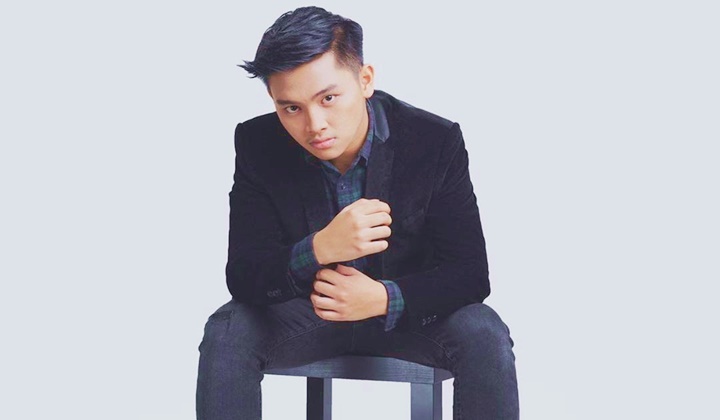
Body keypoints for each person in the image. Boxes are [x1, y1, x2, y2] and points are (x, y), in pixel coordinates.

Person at [196, 6, 519, 419]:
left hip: (409, 318)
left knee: (484, 332)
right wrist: (318, 248)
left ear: (365, 80)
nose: (314, 124)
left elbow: (470, 273)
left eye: (328, 98)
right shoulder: (257, 141)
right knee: (228, 330)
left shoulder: (433, 140)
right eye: (291, 108)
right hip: (309, 313)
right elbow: (244, 274)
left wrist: (384, 298)